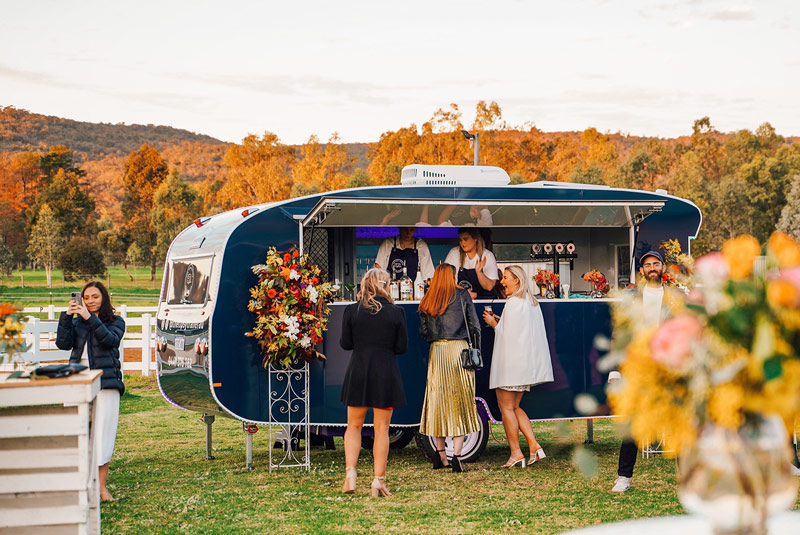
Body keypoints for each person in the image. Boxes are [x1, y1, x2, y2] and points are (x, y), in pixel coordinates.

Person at [612, 250, 683, 492]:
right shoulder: (631, 297)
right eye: (648, 265)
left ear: (662, 268)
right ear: (641, 271)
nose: (652, 268)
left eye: (656, 264)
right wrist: (615, 370)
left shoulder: (675, 297)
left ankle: (687, 476)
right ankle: (624, 477)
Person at [339, 268, 408, 497]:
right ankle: (378, 480)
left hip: (358, 371)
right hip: (385, 372)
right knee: (382, 429)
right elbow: (401, 347)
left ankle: (351, 473)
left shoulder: (351, 310)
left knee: (353, 426)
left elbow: (346, 344)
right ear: (386, 285)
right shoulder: (396, 312)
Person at [56, 281, 125, 502]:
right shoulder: (77, 322)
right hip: (78, 380)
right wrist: (67, 317)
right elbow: (63, 344)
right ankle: (80, 486)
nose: (90, 301)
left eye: (95, 296)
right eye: (86, 297)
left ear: (103, 297)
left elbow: (109, 340)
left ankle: (101, 488)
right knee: (77, 431)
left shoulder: (116, 322)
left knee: (104, 434)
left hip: (106, 381)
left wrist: (89, 317)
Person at [482, 265, 554, 467]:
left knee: (506, 408)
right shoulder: (531, 302)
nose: (502, 282)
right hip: (524, 366)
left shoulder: (513, 303)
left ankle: (516, 453)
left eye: (505, 277)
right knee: (514, 407)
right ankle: (534, 445)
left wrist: (493, 323)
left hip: (510, 365)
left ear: (517, 280)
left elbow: (508, 335)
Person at [418, 263, 482, 473]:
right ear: (452, 276)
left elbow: (424, 331)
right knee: (459, 402)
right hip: (458, 351)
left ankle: (440, 456)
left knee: (438, 403)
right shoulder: (462, 295)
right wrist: (477, 352)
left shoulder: (428, 298)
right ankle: (457, 457)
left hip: (437, 352)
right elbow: (475, 327)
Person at [444, 227, 499, 300]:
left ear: (475, 239)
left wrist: (479, 273)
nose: (462, 243)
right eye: (460, 240)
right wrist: (464, 293)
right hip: (462, 300)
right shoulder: (454, 253)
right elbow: (447, 281)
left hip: (485, 301)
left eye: (465, 239)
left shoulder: (487, 256)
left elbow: (489, 287)